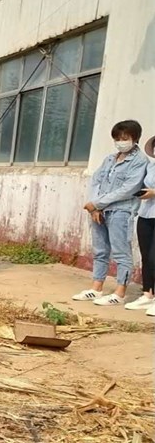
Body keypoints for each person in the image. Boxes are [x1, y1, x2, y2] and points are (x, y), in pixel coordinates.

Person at [73, 120, 148, 306]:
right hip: (99, 211)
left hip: (121, 211)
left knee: (121, 253)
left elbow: (128, 188)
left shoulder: (139, 161)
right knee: (100, 251)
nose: (121, 142)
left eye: (125, 138)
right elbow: (96, 181)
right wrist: (95, 207)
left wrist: (97, 203)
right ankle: (96, 288)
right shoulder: (110, 159)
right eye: (117, 138)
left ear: (135, 138)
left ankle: (120, 292)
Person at [126, 135, 155, 314]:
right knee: (145, 256)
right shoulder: (150, 166)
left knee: (154, 257)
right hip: (146, 215)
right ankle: (147, 293)